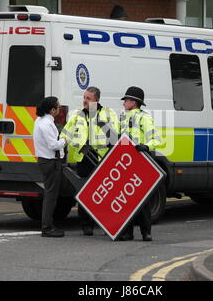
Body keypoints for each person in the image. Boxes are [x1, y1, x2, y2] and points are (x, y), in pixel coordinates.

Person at [60, 86, 119, 236]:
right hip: (84, 158)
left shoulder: (108, 113)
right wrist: (58, 147)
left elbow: (114, 136)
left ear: (97, 100)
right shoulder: (77, 115)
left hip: (102, 158)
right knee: (85, 193)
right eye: (84, 97)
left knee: (105, 193)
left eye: (88, 98)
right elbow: (66, 133)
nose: (84, 101)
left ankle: (106, 223)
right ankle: (86, 224)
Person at [118, 86, 163, 241]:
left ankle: (146, 232)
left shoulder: (144, 118)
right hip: (126, 163)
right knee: (127, 199)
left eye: (126, 100)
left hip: (141, 161)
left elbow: (156, 139)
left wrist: (146, 147)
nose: (123, 102)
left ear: (134, 102)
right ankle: (127, 232)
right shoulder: (122, 118)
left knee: (142, 199)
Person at [33, 97, 67, 238]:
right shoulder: (46, 124)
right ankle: (47, 227)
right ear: (52, 110)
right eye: (58, 107)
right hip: (50, 162)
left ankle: (48, 226)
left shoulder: (40, 120)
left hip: (46, 161)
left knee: (50, 194)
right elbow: (53, 145)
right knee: (50, 196)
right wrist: (65, 139)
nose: (59, 110)